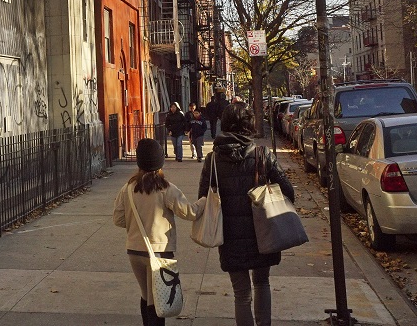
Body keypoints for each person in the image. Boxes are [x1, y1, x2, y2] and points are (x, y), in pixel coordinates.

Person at [197, 103, 295, 326]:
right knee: (262, 283)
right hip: (263, 234)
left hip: (230, 236)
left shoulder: (213, 160)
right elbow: (288, 191)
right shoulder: (262, 154)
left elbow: (203, 197)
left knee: (241, 293)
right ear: (248, 125)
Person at [113, 138, 205, 326]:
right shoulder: (166, 189)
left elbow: (118, 219)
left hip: (134, 251)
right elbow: (190, 212)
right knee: (158, 301)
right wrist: (205, 201)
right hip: (160, 252)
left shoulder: (128, 189)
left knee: (146, 295)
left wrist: (136, 227)